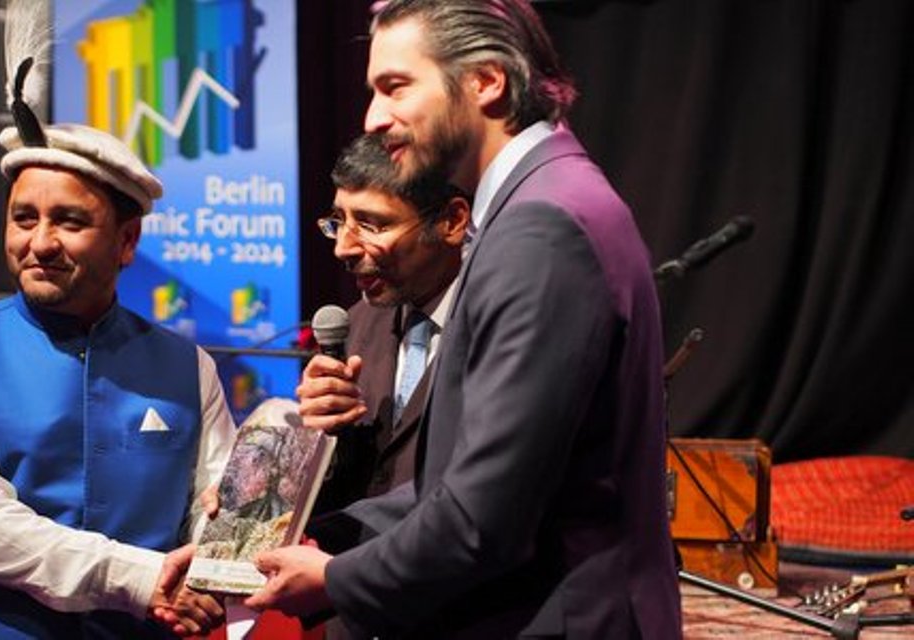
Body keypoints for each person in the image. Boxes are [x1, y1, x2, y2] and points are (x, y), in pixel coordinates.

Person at [245, 1, 682, 638]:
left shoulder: (539, 226)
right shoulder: (548, 196)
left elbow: (483, 518)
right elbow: (458, 485)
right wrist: (287, 540)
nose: (374, 118)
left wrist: (334, 578)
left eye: (396, 86)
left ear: (485, 81)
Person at [0, 114, 233, 635]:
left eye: (70, 222)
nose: (41, 243)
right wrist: (143, 578)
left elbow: (217, 507)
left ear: (127, 241)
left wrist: (212, 565)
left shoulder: (189, 367)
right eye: (23, 218)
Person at [301, 133, 470, 518]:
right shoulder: (356, 327)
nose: (343, 248)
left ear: (452, 221)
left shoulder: (500, 327)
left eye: (371, 224)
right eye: (339, 222)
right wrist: (321, 441)